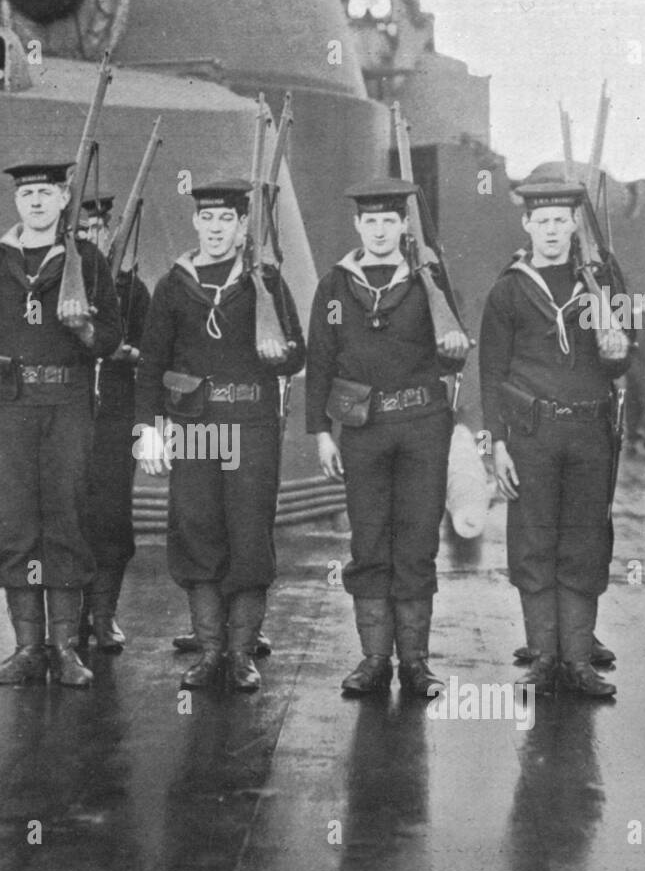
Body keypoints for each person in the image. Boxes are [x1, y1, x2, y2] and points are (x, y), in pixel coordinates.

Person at [0, 161, 121, 689]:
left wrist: (87, 328)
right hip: (14, 406)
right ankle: (27, 649)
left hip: (68, 404)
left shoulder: (87, 261)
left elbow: (111, 338)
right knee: (18, 522)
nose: (37, 203)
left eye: (47, 193)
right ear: (17, 202)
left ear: (65, 197)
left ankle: (66, 648)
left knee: (66, 520)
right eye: (28, 195)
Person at [135, 179, 305, 692]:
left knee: (249, 532)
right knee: (197, 527)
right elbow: (151, 365)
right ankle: (209, 651)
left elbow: (297, 355)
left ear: (240, 226)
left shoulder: (267, 282)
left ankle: (240, 652)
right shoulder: (173, 285)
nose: (214, 228)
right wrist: (148, 430)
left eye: (225, 220)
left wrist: (282, 353)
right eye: (206, 219)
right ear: (195, 223)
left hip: (250, 424)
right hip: (195, 427)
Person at [305, 178, 470, 697]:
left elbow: (455, 354)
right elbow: (321, 359)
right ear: (358, 226)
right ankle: (375, 659)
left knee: (418, 542)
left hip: (422, 427)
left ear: (404, 226)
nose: (379, 230)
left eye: (389, 221)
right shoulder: (335, 286)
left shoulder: (430, 278)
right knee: (369, 539)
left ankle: (416, 663)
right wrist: (321, 433)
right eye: (370, 221)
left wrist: (452, 341)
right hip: (361, 429)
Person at [478, 180, 632, 698]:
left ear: (573, 225)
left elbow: (624, 356)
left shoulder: (601, 281)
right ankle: (544, 659)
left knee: (585, 544)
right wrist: (496, 443)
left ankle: (579, 661)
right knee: (534, 544)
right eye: (540, 221)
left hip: (590, 430)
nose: (550, 229)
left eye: (560, 220)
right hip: (532, 433)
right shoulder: (510, 288)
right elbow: (491, 371)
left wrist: (612, 323)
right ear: (527, 225)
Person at [74, 194, 150, 654]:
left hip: (116, 419)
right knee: (68, 519)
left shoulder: (133, 290)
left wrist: (114, 349)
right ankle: (68, 620)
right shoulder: (62, 286)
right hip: (69, 417)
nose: (93, 239)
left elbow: (151, 352)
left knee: (111, 519)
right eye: (83, 233)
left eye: (101, 230)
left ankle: (104, 616)